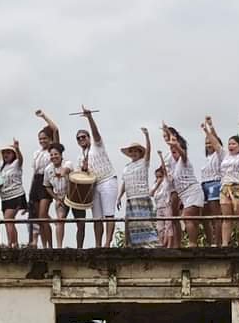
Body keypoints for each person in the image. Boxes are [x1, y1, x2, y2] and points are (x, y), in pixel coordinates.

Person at [206, 118, 239, 247]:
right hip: (226, 188)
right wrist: (208, 129)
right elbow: (215, 143)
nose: (231, 146)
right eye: (229, 144)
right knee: (227, 218)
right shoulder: (225, 156)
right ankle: (225, 243)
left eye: (233, 144)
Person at [77, 106, 118, 247]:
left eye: (84, 137)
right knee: (96, 217)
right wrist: (83, 169)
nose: (81, 139)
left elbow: (96, 133)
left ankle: (107, 243)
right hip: (94, 185)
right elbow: (81, 177)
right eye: (79, 138)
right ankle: (98, 245)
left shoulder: (97, 145)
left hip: (107, 179)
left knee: (109, 214)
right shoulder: (80, 157)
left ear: (88, 138)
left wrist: (89, 118)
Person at [162, 122, 204, 247]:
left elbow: (183, 153)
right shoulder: (174, 168)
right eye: (172, 152)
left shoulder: (184, 161)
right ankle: (191, 243)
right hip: (183, 194)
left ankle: (192, 244)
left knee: (187, 217)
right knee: (190, 220)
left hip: (192, 191)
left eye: (175, 152)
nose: (173, 154)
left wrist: (175, 144)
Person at [117, 127, 160, 247]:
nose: (134, 153)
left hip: (141, 195)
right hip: (131, 197)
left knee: (145, 222)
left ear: (140, 152)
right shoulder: (127, 167)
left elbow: (149, 151)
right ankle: (132, 245)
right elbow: (124, 182)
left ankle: (151, 245)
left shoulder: (143, 162)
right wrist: (119, 196)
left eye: (136, 151)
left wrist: (146, 136)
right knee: (132, 223)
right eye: (132, 151)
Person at [43, 142, 85, 248]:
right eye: (51, 155)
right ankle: (59, 247)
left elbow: (66, 170)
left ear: (61, 154)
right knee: (60, 219)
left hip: (74, 196)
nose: (54, 157)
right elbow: (47, 186)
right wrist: (56, 198)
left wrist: (62, 173)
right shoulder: (48, 169)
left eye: (56, 154)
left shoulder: (68, 163)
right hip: (60, 197)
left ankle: (79, 248)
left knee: (80, 223)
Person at [28, 110, 59, 248]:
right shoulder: (37, 152)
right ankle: (44, 245)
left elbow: (56, 129)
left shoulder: (52, 150)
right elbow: (34, 171)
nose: (42, 141)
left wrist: (44, 117)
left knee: (43, 215)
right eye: (40, 139)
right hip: (36, 182)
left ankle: (51, 246)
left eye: (45, 138)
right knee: (37, 218)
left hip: (46, 182)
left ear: (50, 139)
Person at [0, 140, 28, 248]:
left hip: (16, 195)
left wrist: (17, 148)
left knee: (8, 219)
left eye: (8, 153)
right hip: (5, 197)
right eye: (4, 153)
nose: (6, 155)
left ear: (13, 154)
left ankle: (11, 244)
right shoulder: (0, 169)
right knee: (8, 221)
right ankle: (14, 243)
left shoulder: (16, 164)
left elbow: (21, 159)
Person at [200, 116, 223, 247]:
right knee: (204, 215)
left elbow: (216, 141)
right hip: (204, 185)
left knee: (216, 215)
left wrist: (209, 127)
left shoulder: (219, 155)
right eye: (206, 144)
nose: (209, 145)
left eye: (210, 143)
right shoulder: (207, 158)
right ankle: (210, 240)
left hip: (215, 183)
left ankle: (217, 242)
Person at [150, 153, 174, 247]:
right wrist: (157, 184)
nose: (158, 178)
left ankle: (169, 245)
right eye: (157, 176)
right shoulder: (155, 184)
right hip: (159, 208)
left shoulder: (166, 182)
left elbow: (165, 170)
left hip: (166, 205)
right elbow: (151, 193)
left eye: (160, 176)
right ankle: (161, 243)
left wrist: (161, 157)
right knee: (160, 227)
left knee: (168, 226)